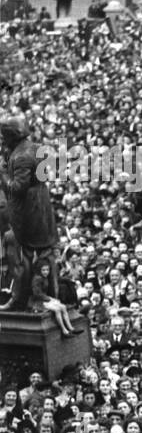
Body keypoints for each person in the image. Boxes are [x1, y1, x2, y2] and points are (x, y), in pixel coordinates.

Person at [0, 113, 59, 310]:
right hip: (41, 205)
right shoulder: (35, 148)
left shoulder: (21, 156)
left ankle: (18, 299)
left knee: (19, 254)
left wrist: (2, 173)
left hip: (28, 212)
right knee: (46, 255)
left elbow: (17, 188)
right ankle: (51, 295)